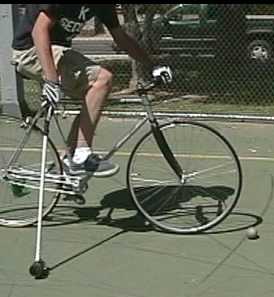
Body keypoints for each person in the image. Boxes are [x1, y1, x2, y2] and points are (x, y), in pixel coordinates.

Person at [11, 4, 173, 178]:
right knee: (102, 79)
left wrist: (151, 65)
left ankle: (67, 160)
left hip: (56, 52)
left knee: (93, 97)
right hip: (31, 51)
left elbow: (121, 39)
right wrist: (51, 80)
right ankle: (81, 155)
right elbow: (39, 30)